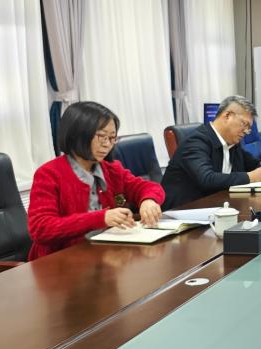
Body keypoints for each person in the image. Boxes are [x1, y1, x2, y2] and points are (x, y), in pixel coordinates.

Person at [28, 101, 166, 260]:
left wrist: (149, 200)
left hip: (106, 256)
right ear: (78, 134)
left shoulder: (112, 169)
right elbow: (41, 228)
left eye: (112, 138)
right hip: (60, 262)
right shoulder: (49, 174)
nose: (107, 144)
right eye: (101, 136)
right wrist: (100, 218)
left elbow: (148, 187)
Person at [161, 95, 261, 209]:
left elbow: (256, 165)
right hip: (183, 211)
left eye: (249, 128)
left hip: (216, 207)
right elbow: (207, 179)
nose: (246, 132)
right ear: (227, 115)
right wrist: (251, 177)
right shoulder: (196, 142)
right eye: (244, 124)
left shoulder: (233, 143)